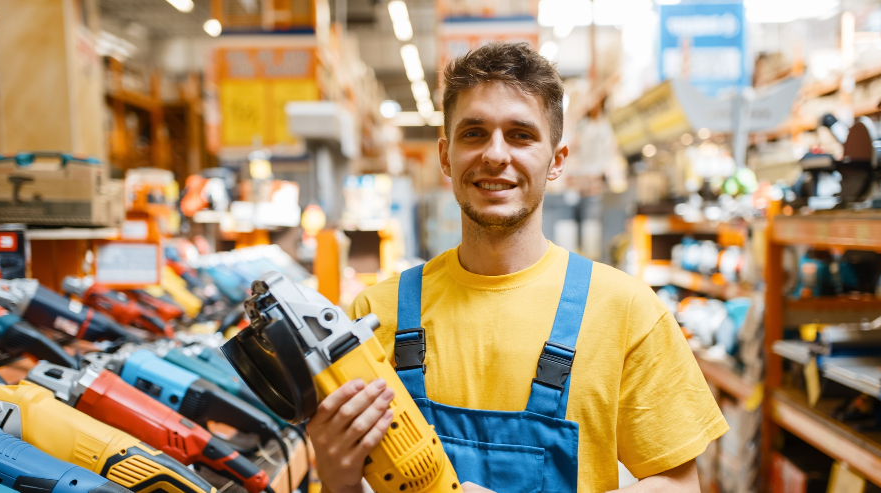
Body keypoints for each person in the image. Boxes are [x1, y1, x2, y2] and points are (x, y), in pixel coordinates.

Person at [306, 41, 728, 493]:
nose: (495, 154)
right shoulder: (375, 315)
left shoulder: (626, 313)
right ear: (446, 156)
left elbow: (679, 484)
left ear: (556, 160)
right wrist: (338, 478)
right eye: (474, 133)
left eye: (521, 134)